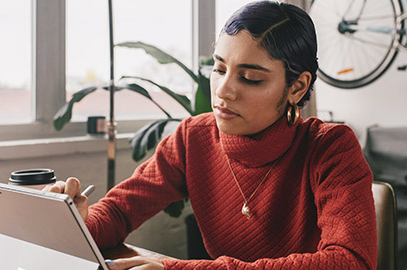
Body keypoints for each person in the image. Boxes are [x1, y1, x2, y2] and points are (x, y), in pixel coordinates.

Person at [47, 1, 377, 269]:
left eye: (250, 78)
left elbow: (349, 261)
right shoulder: (194, 138)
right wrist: (69, 222)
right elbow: (120, 210)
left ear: (297, 87)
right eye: (218, 69)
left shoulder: (331, 148)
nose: (223, 91)